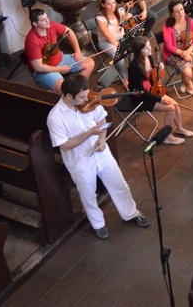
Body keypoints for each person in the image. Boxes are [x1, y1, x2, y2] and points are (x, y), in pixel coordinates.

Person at [46, 74, 150, 239]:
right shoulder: (55, 117)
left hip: (101, 153)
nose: (85, 99)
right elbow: (64, 145)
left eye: (86, 94)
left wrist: (101, 139)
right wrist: (89, 133)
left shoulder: (90, 102)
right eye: (81, 97)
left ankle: (131, 213)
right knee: (88, 195)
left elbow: (102, 121)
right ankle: (98, 224)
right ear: (67, 95)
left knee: (119, 184)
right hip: (80, 162)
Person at [126, 35, 193, 144]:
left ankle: (179, 128)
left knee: (175, 105)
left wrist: (159, 68)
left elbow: (154, 76)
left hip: (152, 91)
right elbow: (140, 92)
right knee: (171, 109)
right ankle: (167, 137)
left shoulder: (149, 57)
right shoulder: (135, 67)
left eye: (149, 46)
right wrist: (158, 99)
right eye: (146, 48)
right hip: (140, 98)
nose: (150, 49)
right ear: (139, 51)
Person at [25, 8, 94, 93]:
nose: (47, 21)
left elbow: (69, 31)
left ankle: (78, 91)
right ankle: (66, 97)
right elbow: (38, 67)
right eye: (43, 20)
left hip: (60, 59)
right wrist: (59, 70)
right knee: (63, 88)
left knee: (89, 63)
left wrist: (77, 50)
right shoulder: (32, 40)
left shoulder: (51, 25)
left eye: (47, 17)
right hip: (44, 70)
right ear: (35, 24)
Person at [162, 0, 193, 95]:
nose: (180, 13)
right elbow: (169, 46)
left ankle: (184, 79)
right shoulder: (168, 26)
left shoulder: (190, 21)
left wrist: (188, 51)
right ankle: (189, 84)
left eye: (181, 9)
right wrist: (183, 54)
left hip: (189, 49)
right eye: (177, 11)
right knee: (188, 72)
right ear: (172, 13)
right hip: (174, 52)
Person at [94, 0, 129, 84]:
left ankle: (132, 71)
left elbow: (126, 21)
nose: (112, 6)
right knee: (117, 53)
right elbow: (108, 37)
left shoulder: (119, 11)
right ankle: (124, 77)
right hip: (106, 42)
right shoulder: (100, 18)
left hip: (120, 38)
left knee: (135, 46)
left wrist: (128, 14)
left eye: (113, 3)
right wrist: (120, 46)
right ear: (103, 5)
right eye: (109, 4)